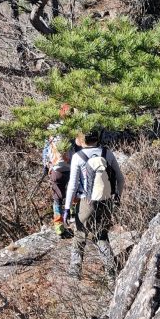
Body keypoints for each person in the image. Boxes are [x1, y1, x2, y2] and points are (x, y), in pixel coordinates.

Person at [63, 129, 124, 282]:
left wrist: (67, 208)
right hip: (105, 200)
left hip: (86, 202)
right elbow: (120, 178)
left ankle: (74, 272)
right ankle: (111, 273)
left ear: (82, 140)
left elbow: (72, 185)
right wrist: (117, 197)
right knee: (101, 235)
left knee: (80, 235)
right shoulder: (107, 153)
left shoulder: (78, 157)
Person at [42, 104, 74, 237]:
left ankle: (59, 226)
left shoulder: (51, 128)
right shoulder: (74, 129)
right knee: (75, 193)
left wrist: (45, 166)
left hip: (56, 168)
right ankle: (74, 220)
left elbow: (45, 150)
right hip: (72, 166)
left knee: (57, 198)